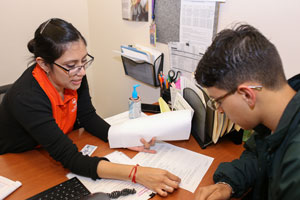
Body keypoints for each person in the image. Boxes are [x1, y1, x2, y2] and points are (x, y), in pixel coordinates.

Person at [0, 18, 180, 197]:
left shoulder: (74, 74)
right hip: (19, 161)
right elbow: (70, 158)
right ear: (43, 64)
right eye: (71, 65)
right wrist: (137, 174)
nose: (82, 71)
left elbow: (87, 116)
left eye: (84, 61)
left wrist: (120, 138)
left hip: (50, 149)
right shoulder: (26, 97)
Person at [194, 24, 300, 200]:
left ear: (247, 95)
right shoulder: (278, 114)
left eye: (218, 101)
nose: (219, 111)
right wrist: (227, 184)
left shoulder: (296, 165)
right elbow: (259, 155)